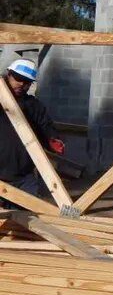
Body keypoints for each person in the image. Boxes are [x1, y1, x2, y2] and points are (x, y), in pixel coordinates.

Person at [0, 59, 65, 207]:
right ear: (8, 75)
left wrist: (53, 139)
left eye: (27, 82)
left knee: (30, 215)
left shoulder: (33, 106)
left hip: (23, 176)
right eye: (18, 79)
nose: (22, 84)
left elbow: (46, 126)